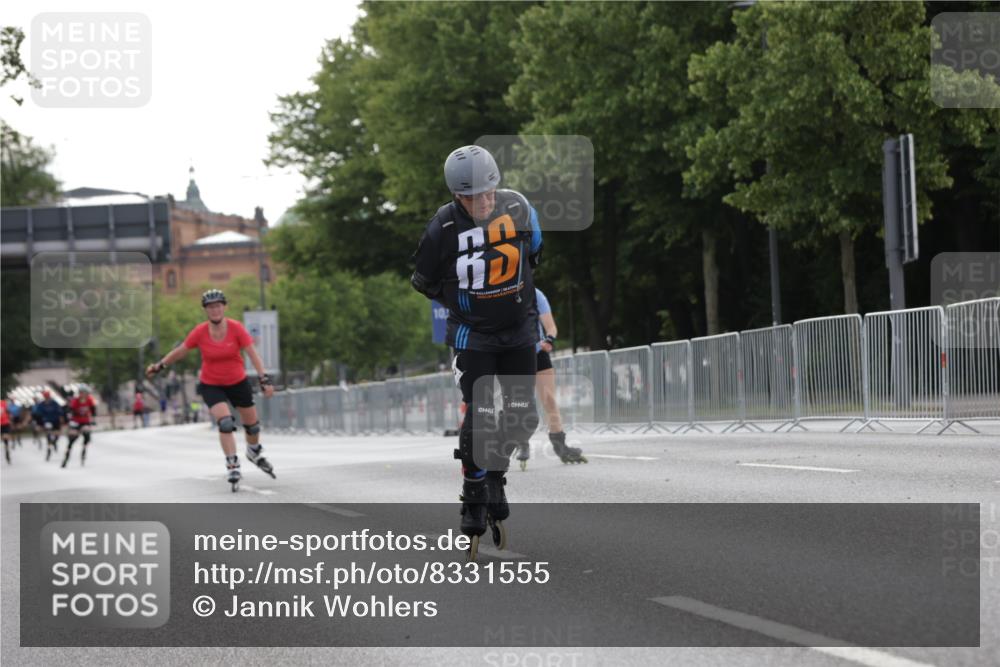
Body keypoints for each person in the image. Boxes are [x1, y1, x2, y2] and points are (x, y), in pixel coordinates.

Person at [410, 145, 542, 557]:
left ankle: (495, 476)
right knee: (481, 412)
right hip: (473, 335)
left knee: (523, 416)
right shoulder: (442, 228)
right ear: (456, 196)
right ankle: (473, 491)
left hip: (519, 327)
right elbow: (423, 281)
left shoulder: (519, 207)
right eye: (472, 197)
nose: (483, 202)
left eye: (489, 192)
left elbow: (536, 253)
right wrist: (466, 301)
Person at [146, 289, 276, 489]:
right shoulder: (200, 331)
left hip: (237, 381)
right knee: (225, 423)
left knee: (253, 426)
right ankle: (232, 464)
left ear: (224, 307)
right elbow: (180, 351)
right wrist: (160, 365)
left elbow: (253, 354)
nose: (214, 310)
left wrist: (264, 379)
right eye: (210, 307)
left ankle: (252, 450)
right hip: (211, 384)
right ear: (205, 310)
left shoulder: (236, 328)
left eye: (218, 306)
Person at [515, 288, 587, 470]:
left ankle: (560, 445)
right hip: (514, 355)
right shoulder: (500, 293)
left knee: (549, 401)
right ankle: (521, 442)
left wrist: (549, 340)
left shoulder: (535, 294)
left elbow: (551, 327)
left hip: (538, 353)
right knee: (522, 403)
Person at [62, 385, 97, 467]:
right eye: (84, 393)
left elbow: (93, 410)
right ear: (80, 393)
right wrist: (70, 420)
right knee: (72, 438)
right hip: (76, 422)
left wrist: (93, 420)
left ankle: (84, 449)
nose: (85, 395)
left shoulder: (89, 400)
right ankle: (66, 456)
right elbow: (70, 411)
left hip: (85, 421)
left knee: (87, 433)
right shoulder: (75, 401)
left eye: (86, 393)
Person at [32, 390, 64, 462]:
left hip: (55, 421)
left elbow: (60, 412)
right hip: (47, 421)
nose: (47, 398)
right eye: (46, 397)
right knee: (48, 433)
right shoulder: (41, 405)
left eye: (48, 397)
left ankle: (54, 442)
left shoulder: (54, 403)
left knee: (57, 434)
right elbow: (38, 415)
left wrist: (61, 419)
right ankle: (49, 448)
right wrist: (39, 424)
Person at [1, 398, 11, 464]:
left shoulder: (3, 403)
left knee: (5, 438)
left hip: (5, 423)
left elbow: (8, 411)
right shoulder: (4, 402)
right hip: (4, 423)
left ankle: (7, 451)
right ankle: (6, 449)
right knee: (5, 438)